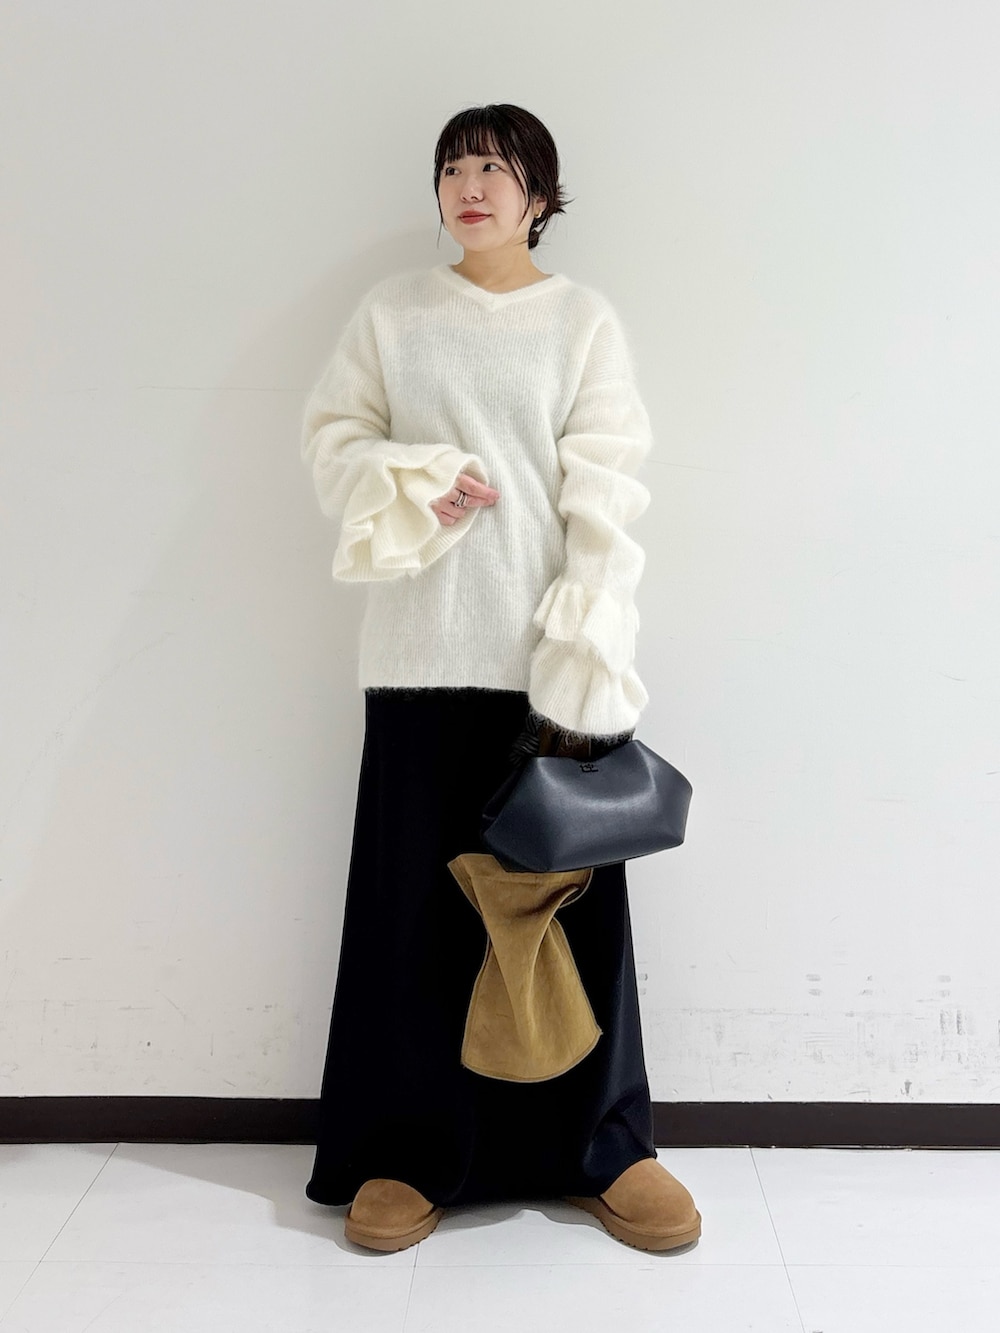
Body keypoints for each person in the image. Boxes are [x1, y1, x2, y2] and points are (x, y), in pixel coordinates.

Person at [299, 103, 701, 1254]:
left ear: (539, 195)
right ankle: (407, 1153)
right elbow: (333, 442)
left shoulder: (580, 320)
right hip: (419, 659)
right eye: (451, 168)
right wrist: (416, 476)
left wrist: (586, 637)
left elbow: (608, 484)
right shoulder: (393, 313)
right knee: (417, 914)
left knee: (574, 913)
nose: (469, 186)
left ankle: (606, 1149)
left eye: (494, 167)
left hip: (550, 665)